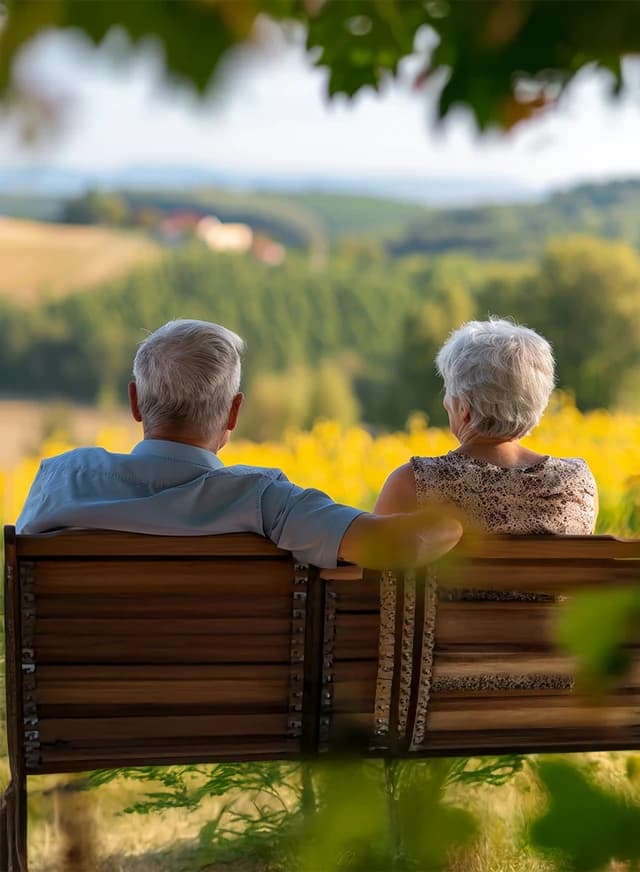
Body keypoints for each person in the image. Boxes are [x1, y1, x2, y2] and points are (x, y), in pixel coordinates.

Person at [17, 319, 462, 569]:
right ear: (233, 412)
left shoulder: (61, 480)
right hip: (231, 727)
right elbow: (405, 542)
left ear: (135, 403)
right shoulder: (266, 503)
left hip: (77, 723)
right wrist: (463, 514)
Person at [375, 318, 597, 534]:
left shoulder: (413, 484)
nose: (445, 401)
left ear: (464, 408)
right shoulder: (576, 484)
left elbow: (373, 563)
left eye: (448, 390)